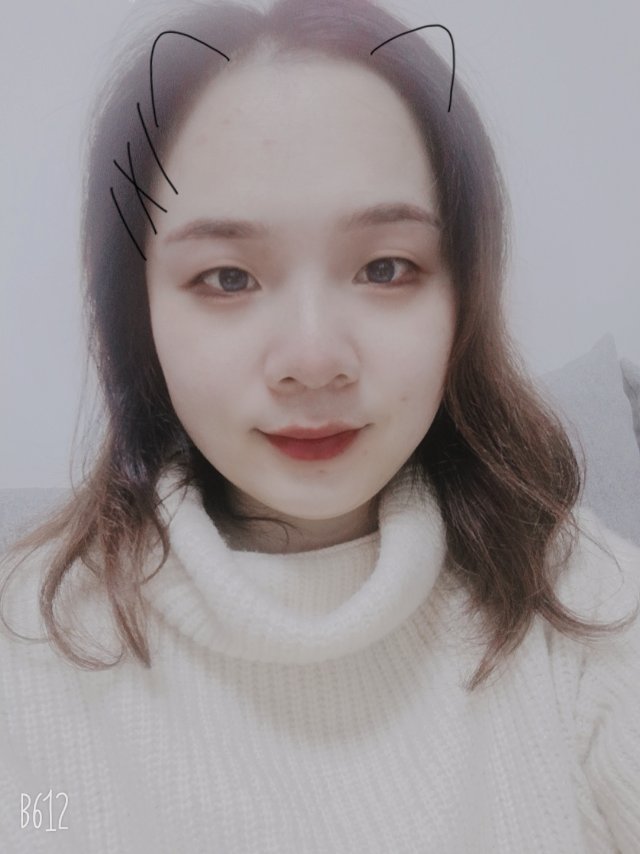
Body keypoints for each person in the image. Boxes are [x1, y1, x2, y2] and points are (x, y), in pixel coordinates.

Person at [1, 0, 639, 850]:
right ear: (138, 312)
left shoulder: (580, 606)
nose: (312, 359)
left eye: (385, 268)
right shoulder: (30, 647)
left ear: (466, 290)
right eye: (228, 278)